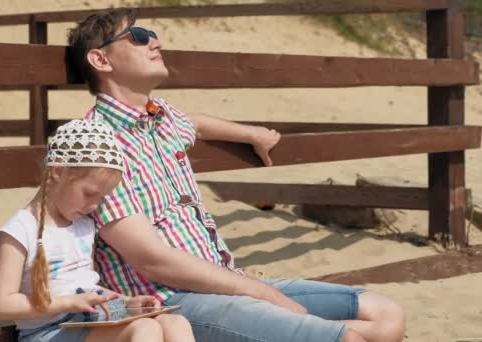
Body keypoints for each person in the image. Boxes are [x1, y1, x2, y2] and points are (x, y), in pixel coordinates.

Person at [67, 8, 406, 342]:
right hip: (169, 302)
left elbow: (196, 123)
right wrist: (259, 291)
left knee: (387, 316)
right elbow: (152, 262)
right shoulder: (98, 143)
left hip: (226, 282)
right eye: (139, 36)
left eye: (152, 34)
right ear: (101, 60)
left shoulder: (162, 118)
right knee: (345, 340)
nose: (155, 41)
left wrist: (252, 134)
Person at [0, 119, 195, 342]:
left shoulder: (84, 225)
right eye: (89, 193)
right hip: (47, 331)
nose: (94, 206)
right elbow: (4, 304)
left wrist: (126, 303)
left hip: (87, 321)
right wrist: (69, 302)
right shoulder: (21, 229)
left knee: (176, 322)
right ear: (59, 171)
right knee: (144, 329)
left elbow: (85, 288)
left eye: (101, 198)